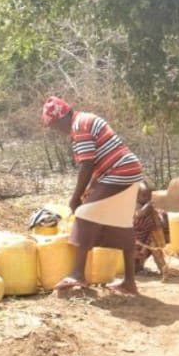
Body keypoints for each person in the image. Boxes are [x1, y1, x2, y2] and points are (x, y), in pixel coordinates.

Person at [42, 96, 144, 294]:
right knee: (122, 222)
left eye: (55, 126)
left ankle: (77, 274)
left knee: (84, 213)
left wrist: (75, 198)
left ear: (62, 117)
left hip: (120, 171)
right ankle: (129, 282)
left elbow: (87, 164)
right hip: (127, 170)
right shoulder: (85, 120)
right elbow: (99, 160)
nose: (57, 131)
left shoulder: (79, 126)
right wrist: (91, 187)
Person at [132, 180, 170, 274]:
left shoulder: (149, 209)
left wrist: (161, 218)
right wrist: (146, 209)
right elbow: (138, 215)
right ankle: (139, 265)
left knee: (154, 241)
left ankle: (162, 267)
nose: (147, 198)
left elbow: (157, 221)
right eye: (144, 196)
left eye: (149, 196)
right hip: (135, 243)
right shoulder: (134, 206)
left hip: (147, 240)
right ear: (136, 196)